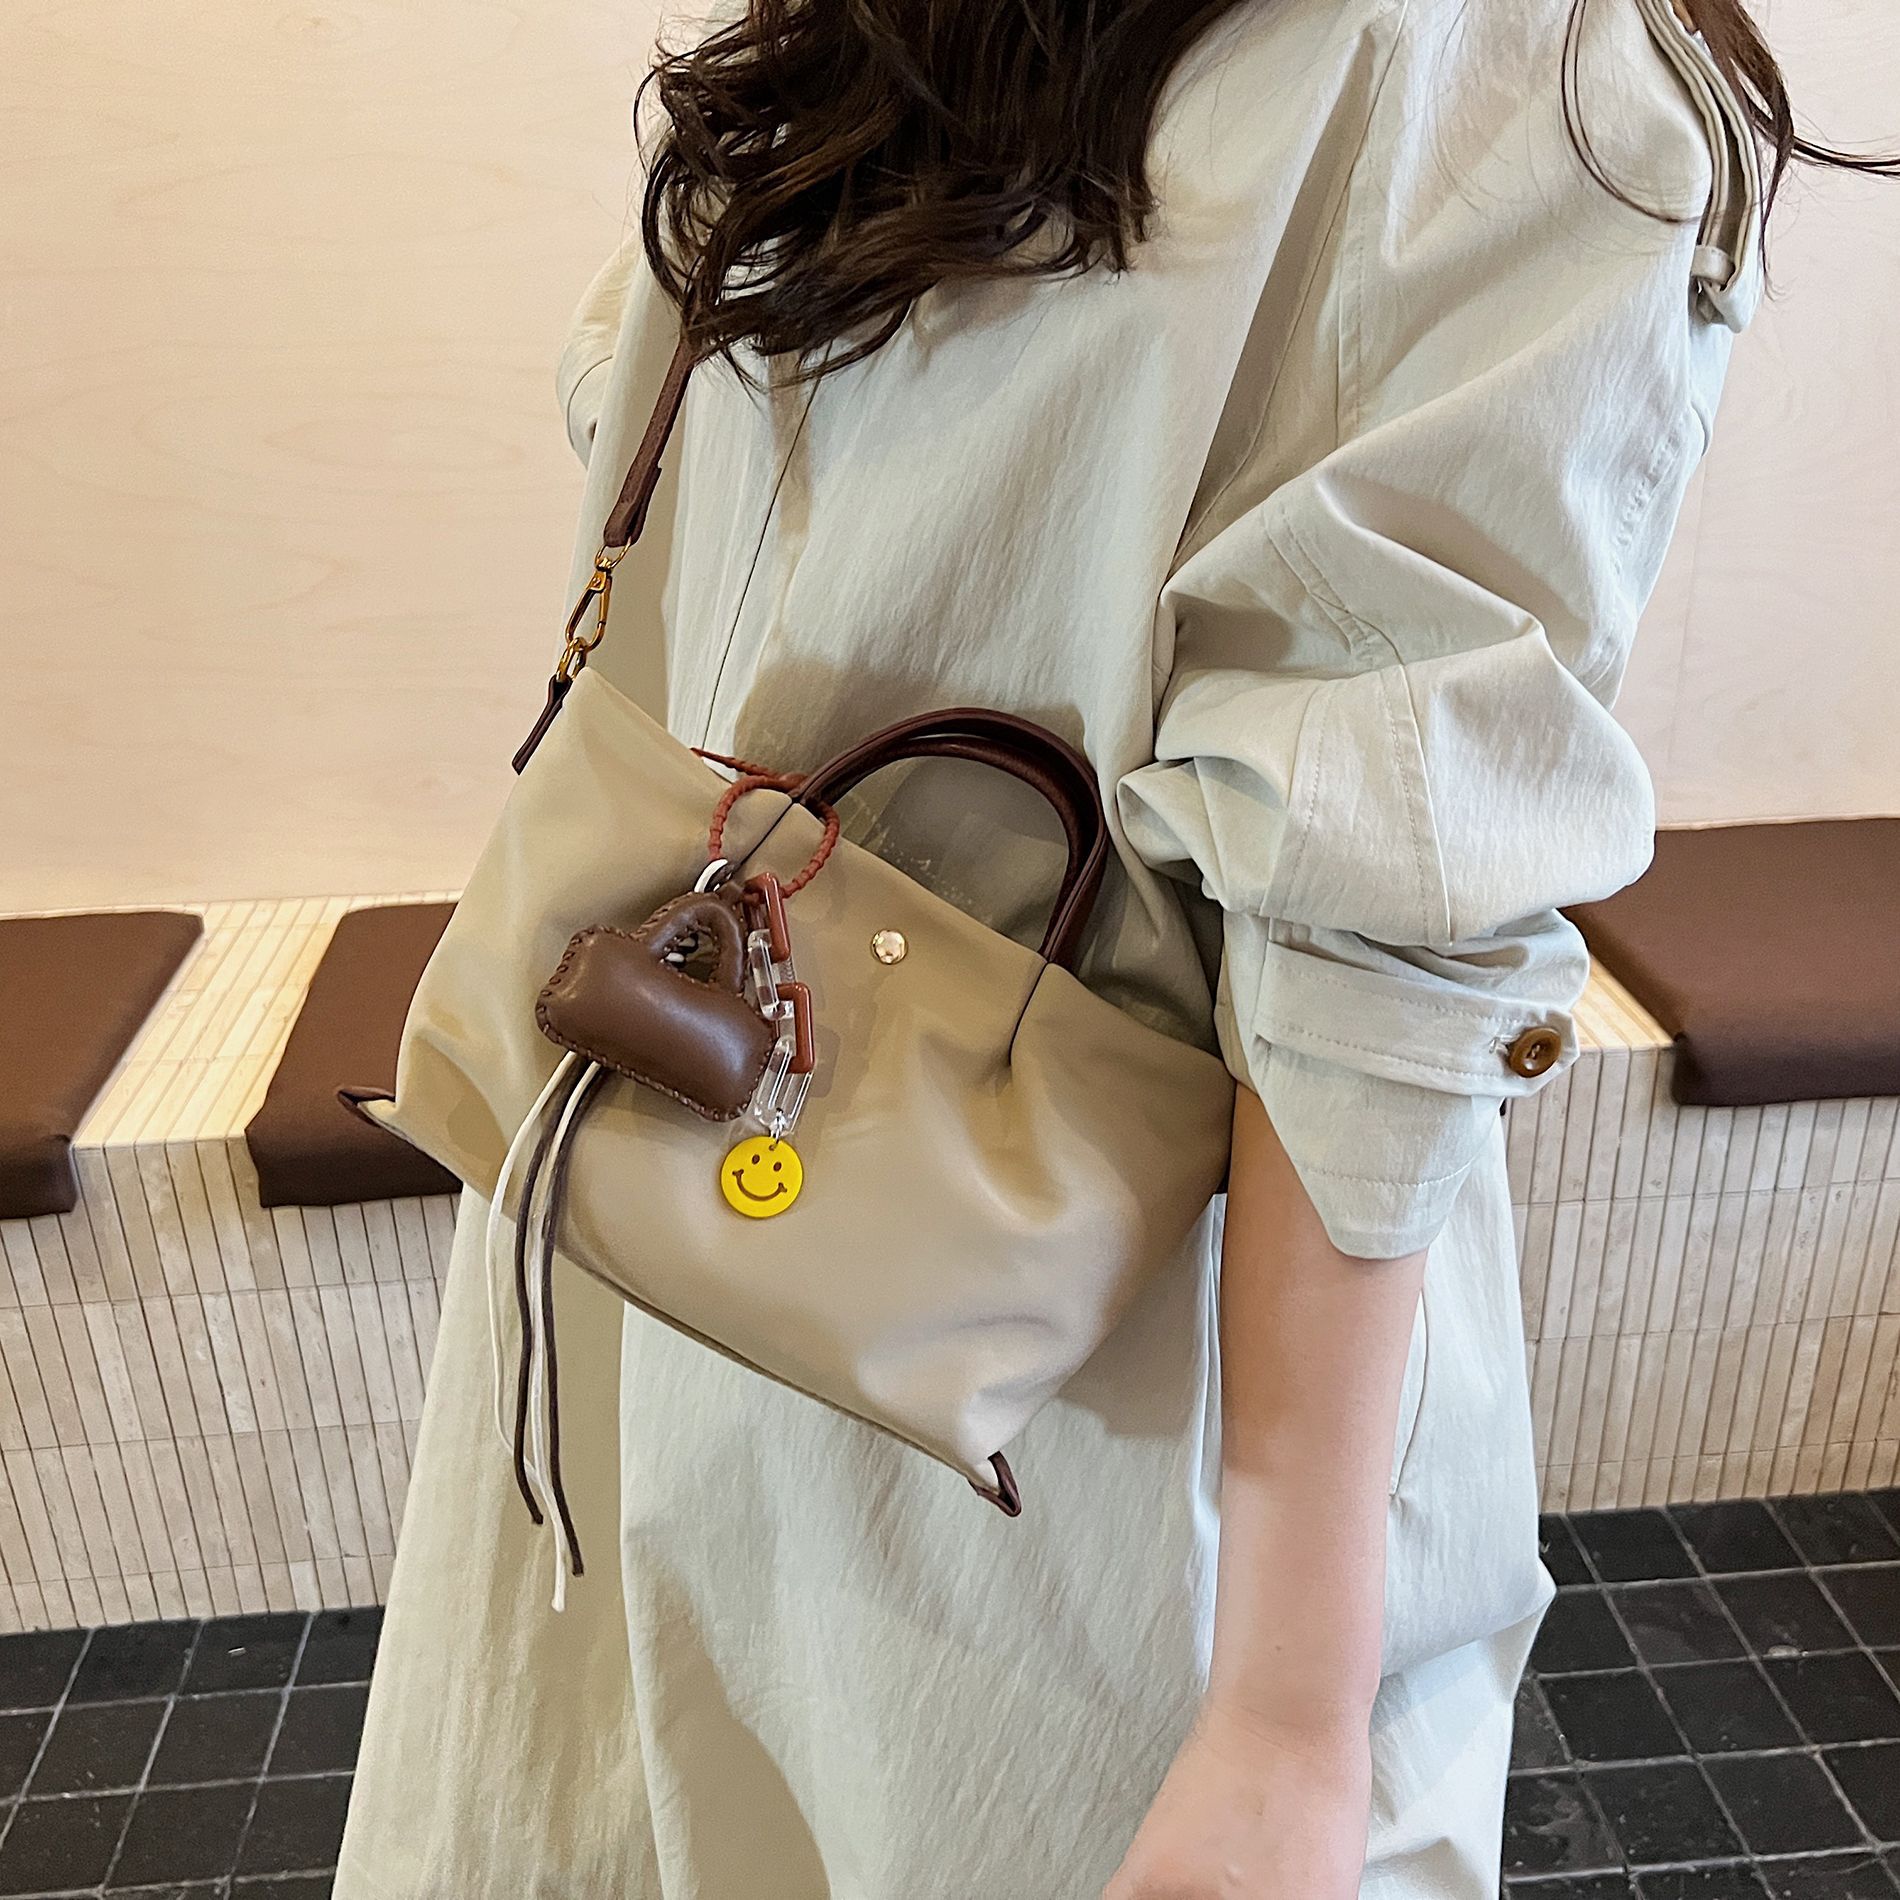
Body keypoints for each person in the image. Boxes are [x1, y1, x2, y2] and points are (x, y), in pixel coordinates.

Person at [334, 0, 1888, 1893]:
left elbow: (650, 427)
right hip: (1091, 1437)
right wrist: (1290, 1714)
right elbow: (1380, 904)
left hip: (655, 1206)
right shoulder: (1511, 73)